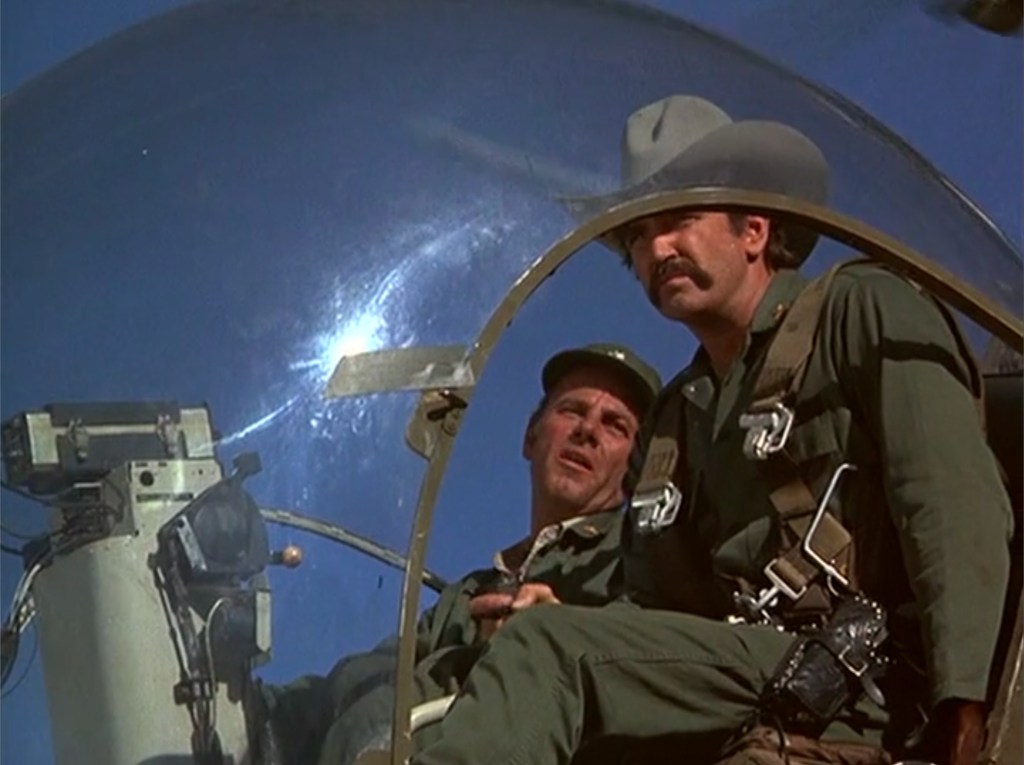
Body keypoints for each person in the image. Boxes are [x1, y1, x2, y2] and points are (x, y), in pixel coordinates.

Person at [409, 96, 1014, 765]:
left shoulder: (860, 309)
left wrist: (965, 702)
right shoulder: (674, 421)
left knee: (545, 653)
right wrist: (564, 618)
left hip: (868, 684)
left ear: (753, 229)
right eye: (639, 237)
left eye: (678, 220)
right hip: (752, 683)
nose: (656, 249)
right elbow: (660, 612)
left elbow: (950, 502)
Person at [261, 342, 661, 765]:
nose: (588, 430)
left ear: (633, 470)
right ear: (530, 437)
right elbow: (365, 675)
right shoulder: (469, 592)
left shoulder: (640, 561)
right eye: (572, 410)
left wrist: (555, 634)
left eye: (615, 426)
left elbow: (651, 680)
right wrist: (256, 711)